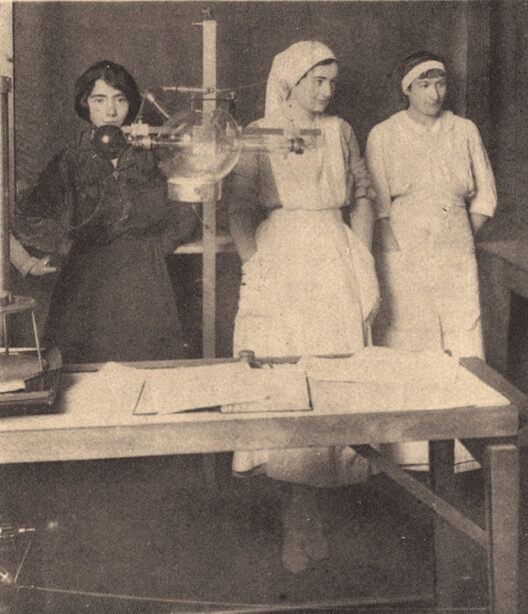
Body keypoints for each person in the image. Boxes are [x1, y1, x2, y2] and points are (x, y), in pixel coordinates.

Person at [225, 41, 379, 574]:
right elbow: (240, 210)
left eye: (333, 82)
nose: (328, 91)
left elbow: (362, 194)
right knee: (286, 383)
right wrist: (256, 268)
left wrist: (359, 254)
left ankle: (316, 510)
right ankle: (296, 516)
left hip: (333, 258)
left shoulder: (340, 131)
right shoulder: (258, 132)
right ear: (290, 81)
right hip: (281, 257)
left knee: (334, 379)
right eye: (319, 81)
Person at [14, 60, 197, 363]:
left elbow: (186, 204)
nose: (111, 111)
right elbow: (29, 212)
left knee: (147, 365)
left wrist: (159, 245)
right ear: (85, 104)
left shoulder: (152, 152)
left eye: (119, 99)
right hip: (86, 278)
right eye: (100, 100)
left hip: (144, 276)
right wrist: (63, 244)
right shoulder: (71, 157)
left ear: (130, 103)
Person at [365, 51, 497, 471]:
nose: (434, 93)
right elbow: (378, 206)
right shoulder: (384, 134)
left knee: (462, 333)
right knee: (408, 334)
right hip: (402, 247)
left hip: (455, 245)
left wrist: (456, 239)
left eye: (440, 84)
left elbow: (486, 196)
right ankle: (406, 454)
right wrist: (400, 252)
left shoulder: (464, 130)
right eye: (424, 85)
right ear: (406, 89)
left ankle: (464, 455)